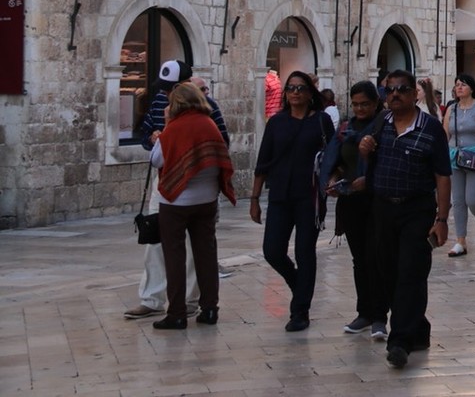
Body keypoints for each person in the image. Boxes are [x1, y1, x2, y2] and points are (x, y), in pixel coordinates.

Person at [357, 69, 452, 369]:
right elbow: (368, 157)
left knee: (411, 272)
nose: (394, 94)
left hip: (417, 209)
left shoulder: (431, 127)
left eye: (401, 89)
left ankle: (399, 341)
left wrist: (442, 218)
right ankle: (419, 329)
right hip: (383, 209)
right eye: (390, 90)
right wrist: (364, 151)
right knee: (389, 273)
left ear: (414, 94)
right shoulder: (381, 123)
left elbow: (442, 175)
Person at [250, 70, 333, 332]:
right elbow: (263, 160)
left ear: (310, 93)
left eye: (300, 88)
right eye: (291, 88)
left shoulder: (321, 122)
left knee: (304, 251)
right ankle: (299, 285)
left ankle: (300, 311)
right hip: (280, 195)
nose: (295, 92)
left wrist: (334, 181)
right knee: (272, 250)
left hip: (309, 197)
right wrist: (254, 198)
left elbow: (333, 158)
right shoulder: (277, 122)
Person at [149, 82, 235, 329]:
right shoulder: (209, 124)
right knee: (206, 254)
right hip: (206, 199)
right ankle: (209, 309)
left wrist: (165, 129)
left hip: (175, 201)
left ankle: (176, 313)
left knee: (174, 256)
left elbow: (156, 160)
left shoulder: (174, 128)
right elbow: (221, 157)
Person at [124, 60, 200, 321]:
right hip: (164, 180)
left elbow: (219, 139)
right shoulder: (159, 102)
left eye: (171, 89)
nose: (166, 94)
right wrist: (154, 138)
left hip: (193, 182)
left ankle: (189, 300)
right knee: (155, 238)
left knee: (190, 243)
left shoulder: (204, 106)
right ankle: (151, 298)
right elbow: (146, 132)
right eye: (165, 88)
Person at [320, 80, 388, 340]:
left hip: (376, 200)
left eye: (365, 104)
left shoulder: (384, 128)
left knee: (376, 257)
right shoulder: (346, 129)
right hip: (351, 201)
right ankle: (365, 312)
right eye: (356, 104)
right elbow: (338, 161)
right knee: (359, 259)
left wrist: (368, 180)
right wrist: (333, 179)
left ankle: (380, 315)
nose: (360, 108)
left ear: (375, 104)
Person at [441, 74, 475, 256]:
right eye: (457, 85)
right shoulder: (452, 109)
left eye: (463, 85)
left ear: (471, 88)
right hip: (454, 157)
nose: (459, 88)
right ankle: (461, 240)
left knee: (472, 199)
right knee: (457, 201)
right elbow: (445, 135)